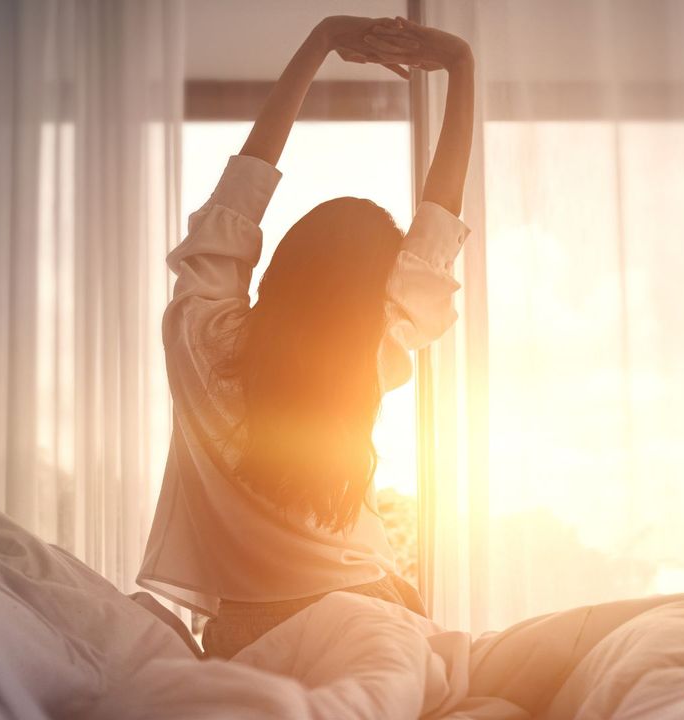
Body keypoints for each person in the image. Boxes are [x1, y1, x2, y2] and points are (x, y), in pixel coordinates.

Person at [137, 15, 474, 659]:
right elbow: (437, 227)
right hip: (372, 611)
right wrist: (460, 66)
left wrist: (319, 42)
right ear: (372, 296)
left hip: (245, 632)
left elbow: (239, 195)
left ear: (283, 262)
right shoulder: (369, 356)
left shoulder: (198, 335)